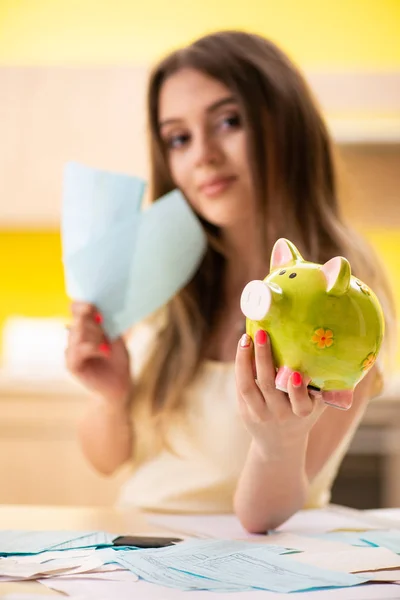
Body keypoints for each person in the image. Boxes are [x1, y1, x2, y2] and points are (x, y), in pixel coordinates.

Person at [65, 30, 395, 533]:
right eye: (179, 137)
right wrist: (111, 395)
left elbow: (263, 517)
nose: (202, 155)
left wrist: (278, 444)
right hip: (133, 553)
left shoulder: (342, 301)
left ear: (287, 125)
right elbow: (109, 460)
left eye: (228, 122)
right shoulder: (167, 276)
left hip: (249, 567)